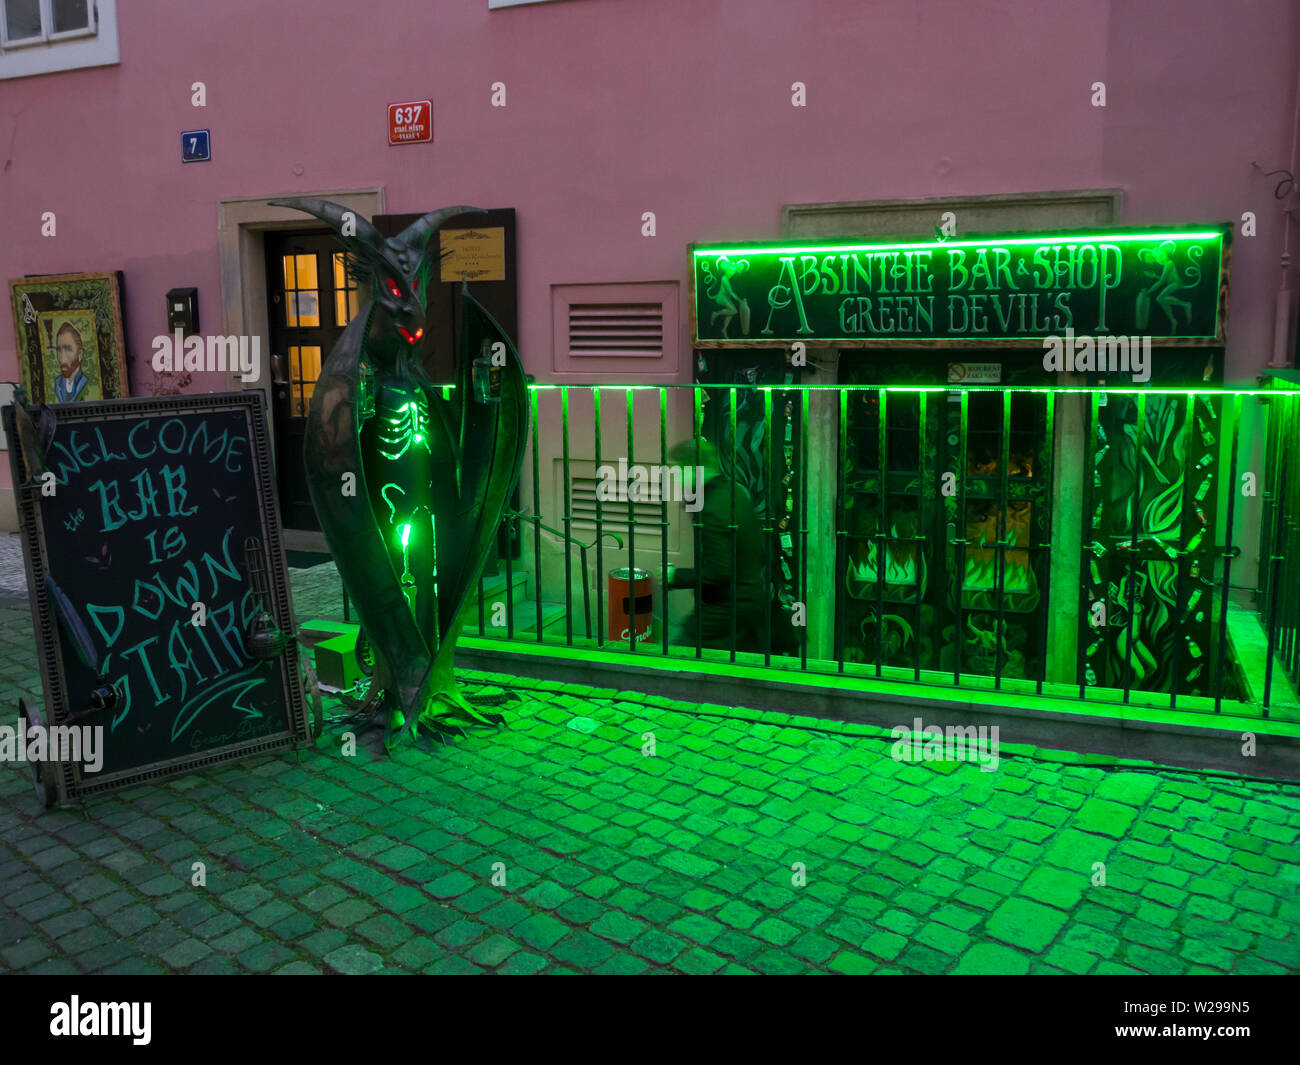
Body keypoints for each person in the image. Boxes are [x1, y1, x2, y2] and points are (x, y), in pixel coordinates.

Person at [663, 437, 796, 654]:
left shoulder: (713, 506)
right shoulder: (734, 492)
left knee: (678, 651)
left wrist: (674, 576)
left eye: (678, 471)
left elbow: (719, 570)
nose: (676, 479)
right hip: (749, 601)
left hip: (729, 606)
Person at [53, 322, 89, 403]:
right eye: (59, 350)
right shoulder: (57, 384)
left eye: (68, 349)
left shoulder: (85, 383)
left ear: (80, 354)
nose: (62, 358)